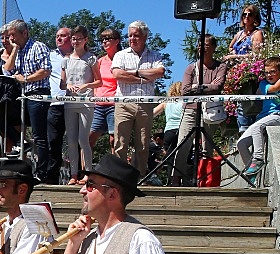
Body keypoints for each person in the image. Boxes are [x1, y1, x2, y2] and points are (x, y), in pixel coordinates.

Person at [172, 34, 227, 186]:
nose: (201, 48)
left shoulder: (220, 66)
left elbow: (218, 86)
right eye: (199, 45)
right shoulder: (191, 67)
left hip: (210, 110)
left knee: (206, 146)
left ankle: (204, 179)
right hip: (190, 109)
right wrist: (207, 87)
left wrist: (198, 87)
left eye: (206, 45)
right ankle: (176, 179)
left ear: (213, 48)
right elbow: (185, 90)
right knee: (183, 143)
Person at [111, 21, 164, 173]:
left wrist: (134, 72)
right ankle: (119, 176)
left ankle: (140, 176)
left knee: (143, 144)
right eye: (130, 36)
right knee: (120, 143)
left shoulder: (155, 55)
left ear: (145, 37)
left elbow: (160, 72)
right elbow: (117, 75)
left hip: (146, 104)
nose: (133, 39)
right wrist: (143, 77)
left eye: (136, 35)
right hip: (124, 103)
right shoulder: (120, 55)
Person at [4, 20, 52, 183]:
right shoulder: (17, 50)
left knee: (40, 135)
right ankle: (22, 145)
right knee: (7, 120)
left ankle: (41, 173)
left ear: (24, 33)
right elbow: (8, 69)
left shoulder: (38, 47)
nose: (11, 38)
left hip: (37, 94)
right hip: (21, 95)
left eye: (13, 35)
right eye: (9, 35)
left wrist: (26, 79)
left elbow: (45, 70)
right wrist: (15, 49)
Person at [60, 25, 100, 184]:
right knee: (70, 139)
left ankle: (87, 173)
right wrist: (67, 86)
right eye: (74, 38)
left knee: (83, 139)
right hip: (70, 102)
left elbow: (99, 81)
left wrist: (86, 86)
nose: (76, 41)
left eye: (79, 38)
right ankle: (73, 174)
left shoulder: (91, 58)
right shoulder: (66, 59)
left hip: (86, 102)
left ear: (86, 40)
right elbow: (62, 84)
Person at [238, 57, 280, 176]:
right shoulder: (264, 84)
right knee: (241, 143)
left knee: (257, 127)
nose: (269, 75)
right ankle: (252, 175)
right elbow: (274, 88)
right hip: (264, 116)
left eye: (273, 71)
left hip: (277, 115)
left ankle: (258, 159)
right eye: (266, 72)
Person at [43, 27, 73, 184]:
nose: (59, 38)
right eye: (57, 36)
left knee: (78, 141)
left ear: (71, 38)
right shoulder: (49, 56)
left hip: (75, 104)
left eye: (63, 36)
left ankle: (78, 175)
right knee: (53, 142)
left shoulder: (80, 55)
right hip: (55, 104)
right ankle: (51, 177)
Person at [89, 29, 121, 155]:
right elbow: (95, 80)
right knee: (88, 139)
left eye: (108, 38)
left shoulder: (122, 58)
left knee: (114, 140)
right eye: (102, 39)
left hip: (114, 104)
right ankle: (86, 172)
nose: (104, 41)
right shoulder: (100, 61)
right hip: (98, 105)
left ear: (117, 41)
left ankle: (113, 173)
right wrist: (96, 95)